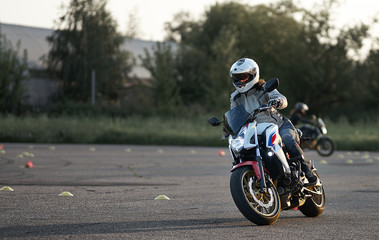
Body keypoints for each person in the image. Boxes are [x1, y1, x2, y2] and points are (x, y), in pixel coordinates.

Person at [229, 58, 317, 185]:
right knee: (242, 150)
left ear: (253, 75)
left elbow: (282, 99)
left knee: (287, 139)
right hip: (255, 130)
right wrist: (230, 125)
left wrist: (278, 101)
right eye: (236, 78)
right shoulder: (235, 97)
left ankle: (306, 170)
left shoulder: (264, 88)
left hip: (279, 126)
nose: (239, 81)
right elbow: (233, 113)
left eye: (243, 77)